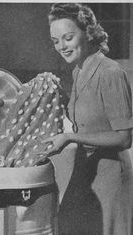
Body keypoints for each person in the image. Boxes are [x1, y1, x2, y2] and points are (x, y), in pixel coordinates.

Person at [41, 3, 133, 235]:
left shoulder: (110, 72)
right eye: (55, 41)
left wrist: (69, 137)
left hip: (111, 177)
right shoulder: (78, 71)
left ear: (88, 32)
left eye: (68, 37)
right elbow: (86, 117)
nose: (62, 46)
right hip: (87, 169)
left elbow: (123, 138)